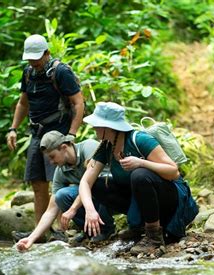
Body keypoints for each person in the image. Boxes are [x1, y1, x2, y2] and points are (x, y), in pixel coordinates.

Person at [78, 102, 199, 255]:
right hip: (142, 200)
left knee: (139, 174)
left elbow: (173, 171)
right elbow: (85, 182)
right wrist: (90, 210)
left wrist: (141, 162)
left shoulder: (139, 139)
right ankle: (139, 228)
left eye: (96, 125)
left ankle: (153, 236)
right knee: (98, 184)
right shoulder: (106, 146)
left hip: (170, 199)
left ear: (107, 127)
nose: (93, 128)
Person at [6, 34, 85, 228]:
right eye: (30, 59)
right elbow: (23, 103)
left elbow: (78, 102)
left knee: (59, 182)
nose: (34, 62)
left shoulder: (60, 72)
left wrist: (72, 134)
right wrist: (13, 128)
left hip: (59, 133)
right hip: (37, 134)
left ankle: (62, 230)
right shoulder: (28, 73)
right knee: (38, 182)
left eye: (37, 58)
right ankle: (40, 231)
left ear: (47, 53)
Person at [16, 131, 115, 252]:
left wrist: (72, 209)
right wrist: (30, 239)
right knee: (61, 196)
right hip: (93, 199)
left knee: (98, 185)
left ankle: (107, 228)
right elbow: (51, 210)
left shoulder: (88, 147)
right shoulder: (61, 170)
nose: (51, 162)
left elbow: (91, 183)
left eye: (52, 156)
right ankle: (92, 231)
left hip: (115, 192)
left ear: (63, 147)